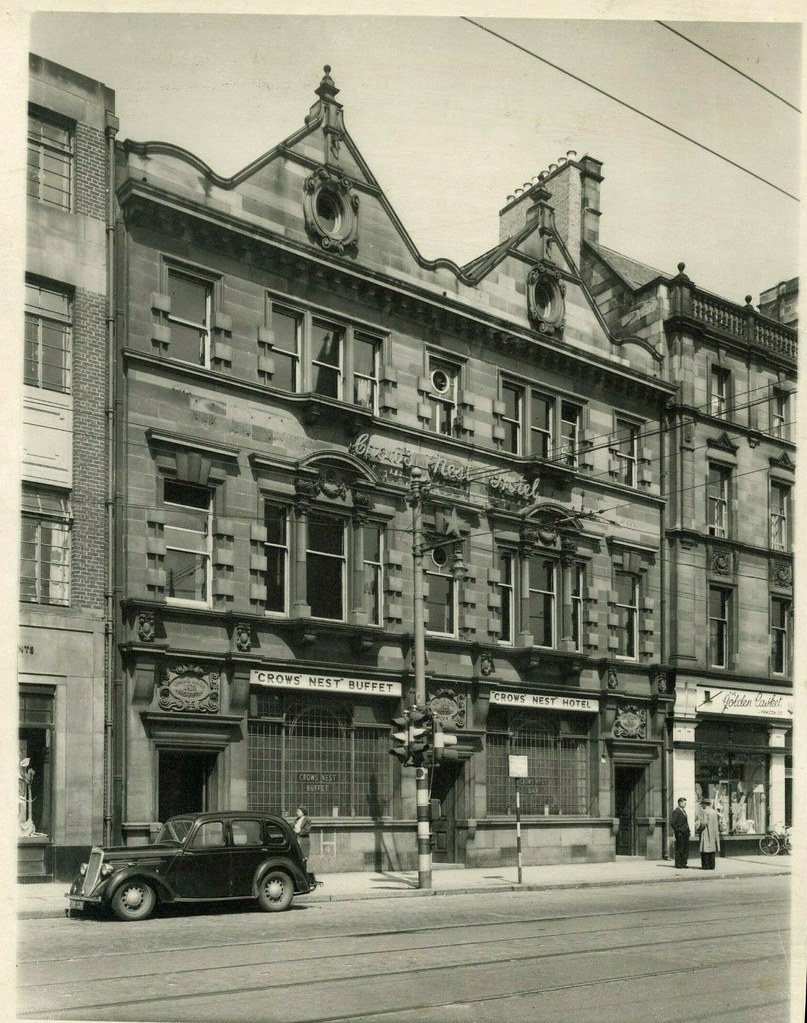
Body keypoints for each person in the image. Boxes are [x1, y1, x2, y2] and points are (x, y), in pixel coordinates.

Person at [697, 797, 721, 869]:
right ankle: (712, 865)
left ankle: (706, 866)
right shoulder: (714, 812)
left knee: (705, 849)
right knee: (712, 850)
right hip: (713, 833)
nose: (701, 806)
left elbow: (704, 823)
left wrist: (699, 829)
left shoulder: (705, 812)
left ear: (705, 804)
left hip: (706, 833)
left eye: (702, 804)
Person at [670, 797, 690, 868]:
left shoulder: (683, 811)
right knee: (680, 848)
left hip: (685, 833)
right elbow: (673, 823)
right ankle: (678, 863)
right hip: (680, 833)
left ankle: (683, 863)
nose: (685, 805)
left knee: (685, 848)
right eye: (684, 803)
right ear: (680, 803)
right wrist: (678, 830)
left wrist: (688, 830)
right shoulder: (677, 811)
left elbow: (685, 822)